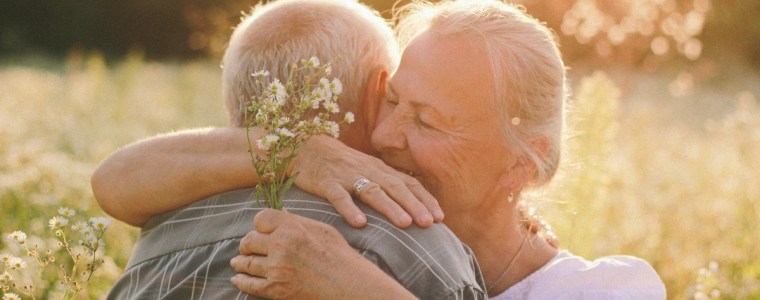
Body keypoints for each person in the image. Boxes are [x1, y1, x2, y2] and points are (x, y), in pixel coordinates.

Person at [96, 0, 666, 299]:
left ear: (525, 160)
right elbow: (114, 181)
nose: (388, 135)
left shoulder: (599, 291)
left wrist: (355, 289)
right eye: (392, 101)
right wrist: (299, 150)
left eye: (429, 122)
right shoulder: (346, 218)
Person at [97, 0, 487, 298]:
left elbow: (108, 179)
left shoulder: (162, 225)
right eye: (393, 98)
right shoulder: (413, 243)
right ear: (376, 91)